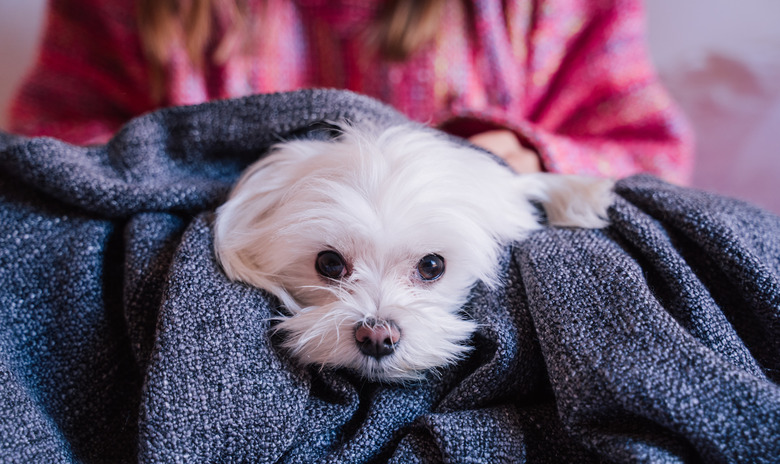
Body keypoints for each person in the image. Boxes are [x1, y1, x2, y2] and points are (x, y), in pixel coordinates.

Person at [7, 0, 693, 182]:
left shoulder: (548, 11)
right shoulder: (128, 10)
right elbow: (48, 161)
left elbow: (652, 157)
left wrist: (533, 157)